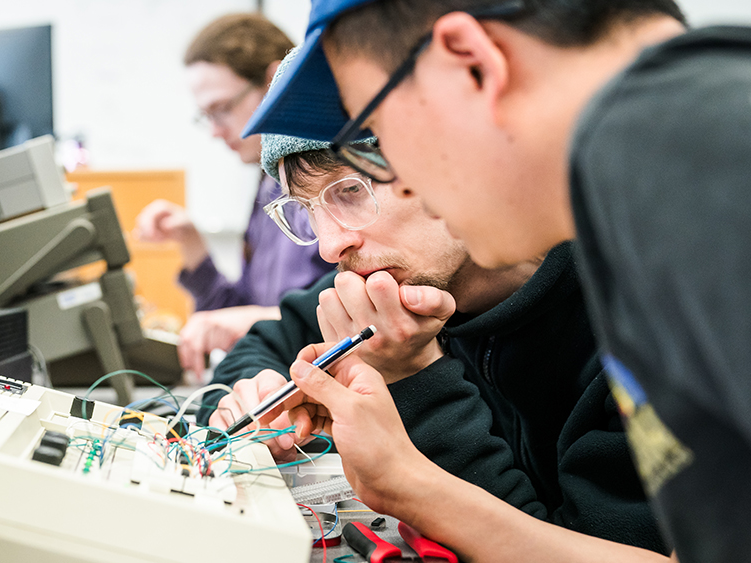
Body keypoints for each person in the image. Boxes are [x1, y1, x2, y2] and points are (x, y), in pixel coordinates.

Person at [244, 1, 750, 562]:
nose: (414, 185)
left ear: (471, 62)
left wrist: (408, 481)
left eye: (385, 138)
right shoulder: (652, 194)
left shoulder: (712, 167)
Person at [199, 102, 668, 557]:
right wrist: (249, 392)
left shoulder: (646, 324)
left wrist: (414, 378)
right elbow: (265, 342)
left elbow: (569, 545)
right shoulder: (393, 278)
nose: (330, 245)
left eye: (350, 191)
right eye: (306, 211)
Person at [134, 14, 334, 380]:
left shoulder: (333, 180)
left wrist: (252, 319)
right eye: (206, 116)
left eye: (222, 109)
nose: (214, 131)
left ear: (275, 81)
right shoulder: (269, 185)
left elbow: (351, 321)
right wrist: (191, 244)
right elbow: (241, 316)